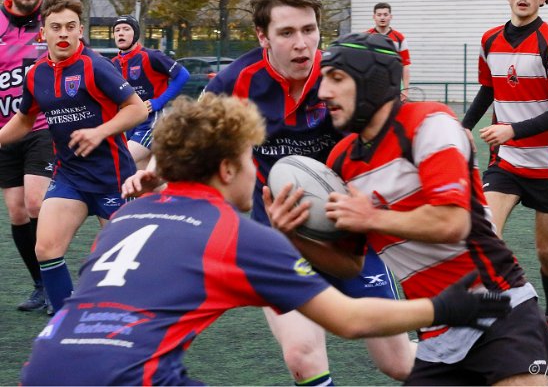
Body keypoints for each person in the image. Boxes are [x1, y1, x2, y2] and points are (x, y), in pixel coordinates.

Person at [19, 93, 511, 386]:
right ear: (229, 167)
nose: (258, 170)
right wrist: (442, 310)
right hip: (126, 377)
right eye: (252, 158)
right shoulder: (232, 232)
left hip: (41, 368)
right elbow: (352, 319)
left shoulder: (128, 216)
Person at [123, 0, 416, 385]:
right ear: (263, 36)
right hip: (276, 240)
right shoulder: (234, 83)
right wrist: (156, 173)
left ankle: (491, 365)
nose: (302, 43)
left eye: (310, 30)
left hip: (346, 235)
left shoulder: (344, 77)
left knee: (399, 364)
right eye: (287, 32)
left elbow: (388, 145)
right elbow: (193, 144)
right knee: (302, 355)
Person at [265, 32, 548, 386]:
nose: (324, 92)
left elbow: (453, 221)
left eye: (337, 79)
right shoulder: (343, 160)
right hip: (436, 336)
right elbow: (350, 264)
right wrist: (292, 236)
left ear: (372, 80)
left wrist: (371, 216)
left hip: (498, 310)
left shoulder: (429, 122)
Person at [0, 0, 147, 314]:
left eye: (70, 26)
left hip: (113, 178)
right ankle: (65, 322)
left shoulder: (96, 66)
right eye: (56, 27)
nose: (63, 33)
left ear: (81, 30)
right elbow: (25, 119)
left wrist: (100, 131)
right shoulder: (36, 73)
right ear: (44, 32)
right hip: (70, 177)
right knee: (46, 247)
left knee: (125, 264)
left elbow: (136, 110)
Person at [461, 0, 548, 350]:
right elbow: (487, 90)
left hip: (547, 167)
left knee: (546, 253)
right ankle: (492, 318)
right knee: (485, 234)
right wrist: (464, 126)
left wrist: (512, 129)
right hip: (505, 163)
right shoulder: (489, 39)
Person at [0, 0, 54, 313]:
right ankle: (39, 285)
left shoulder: (53, 21)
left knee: (36, 203)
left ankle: (55, 284)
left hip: (42, 127)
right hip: (5, 133)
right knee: (17, 212)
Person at [111, 15, 190, 170]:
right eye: (117, 30)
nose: (121, 33)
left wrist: (158, 102)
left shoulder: (151, 56)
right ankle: (169, 194)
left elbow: (183, 75)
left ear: (135, 34)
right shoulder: (113, 63)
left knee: (120, 162)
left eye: (126, 29)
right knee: (144, 181)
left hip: (152, 122)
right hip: (131, 124)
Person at [366, 2, 411, 101]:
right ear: (374, 16)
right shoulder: (365, 37)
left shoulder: (400, 38)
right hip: (371, 87)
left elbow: (406, 65)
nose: (382, 18)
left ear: (391, 16)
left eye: (385, 15)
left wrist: (405, 89)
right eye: (379, 15)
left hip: (394, 88)